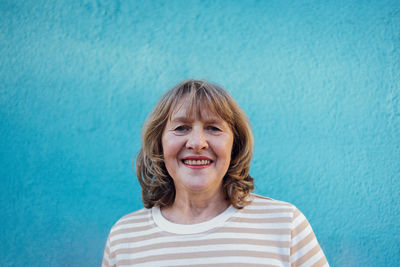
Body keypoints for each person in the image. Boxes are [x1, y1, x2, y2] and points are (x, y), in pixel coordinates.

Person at [102, 79, 329, 267]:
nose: (197, 142)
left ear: (235, 144)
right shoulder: (125, 237)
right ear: (159, 144)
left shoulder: (285, 225)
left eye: (214, 128)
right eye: (181, 128)